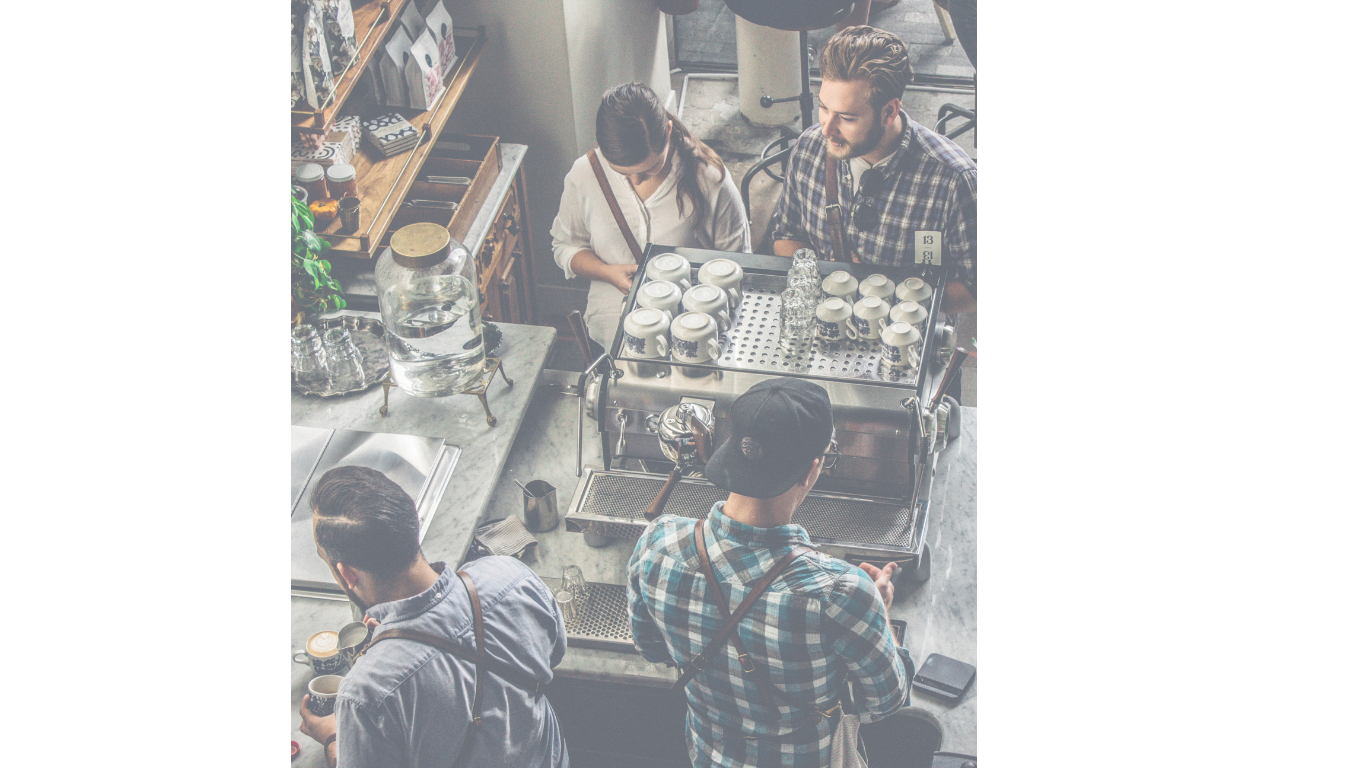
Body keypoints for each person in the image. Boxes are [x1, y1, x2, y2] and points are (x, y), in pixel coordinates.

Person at [626, 377, 913, 768]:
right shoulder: (842, 593)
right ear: (812, 469)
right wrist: (875, 612)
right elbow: (884, 702)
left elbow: (651, 648)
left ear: (731, 451)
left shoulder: (656, 543)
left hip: (708, 758)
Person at [296, 466, 569, 768]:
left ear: (347, 574)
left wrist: (336, 740)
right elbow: (554, 653)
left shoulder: (365, 696)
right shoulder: (511, 576)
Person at [768, 25, 977, 315]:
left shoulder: (953, 180)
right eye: (824, 108)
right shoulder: (809, 148)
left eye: (847, 118)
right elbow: (785, 234)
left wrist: (885, 298)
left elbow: (972, 287)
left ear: (889, 111)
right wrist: (833, 282)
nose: (827, 129)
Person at [551, 82, 751, 352]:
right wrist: (608, 273)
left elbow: (739, 262)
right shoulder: (584, 176)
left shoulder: (709, 178)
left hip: (693, 339)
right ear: (601, 145)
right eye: (622, 173)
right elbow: (565, 246)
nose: (635, 180)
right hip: (610, 335)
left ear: (668, 131)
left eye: (649, 169)